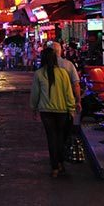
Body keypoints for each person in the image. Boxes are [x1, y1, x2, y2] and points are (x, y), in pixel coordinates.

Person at [30, 47, 75, 178]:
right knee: (60, 137)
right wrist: (71, 108)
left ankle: (54, 166)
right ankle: (60, 163)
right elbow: (69, 93)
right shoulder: (63, 73)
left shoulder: (39, 73)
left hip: (46, 111)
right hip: (62, 111)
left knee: (51, 138)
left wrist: (34, 108)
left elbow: (35, 94)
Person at [52, 42, 82, 117]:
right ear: (61, 51)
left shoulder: (43, 67)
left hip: (48, 104)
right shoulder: (68, 65)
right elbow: (76, 85)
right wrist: (78, 101)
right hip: (66, 102)